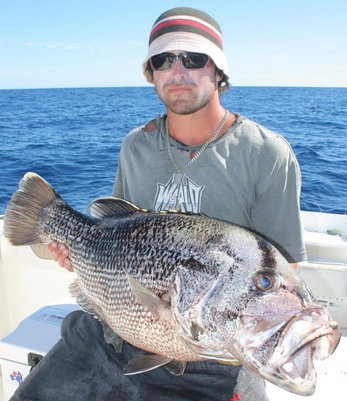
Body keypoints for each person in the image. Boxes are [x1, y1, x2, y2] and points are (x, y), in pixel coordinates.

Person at [11, 7, 306, 401]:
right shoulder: (137, 145)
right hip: (117, 331)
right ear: (152, 74)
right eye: (162, 60)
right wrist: (80, 256)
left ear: (219, 71)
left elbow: (278, 276)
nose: (177, 71)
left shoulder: (265, 153)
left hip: (214, 360)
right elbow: (116, 233)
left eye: (194, 58)